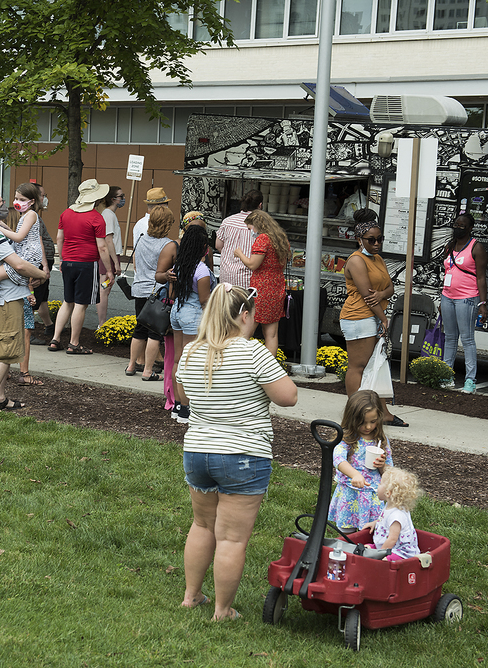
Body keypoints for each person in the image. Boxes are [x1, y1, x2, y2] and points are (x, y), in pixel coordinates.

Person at [176, 283, 298, 621]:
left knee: (201, 525)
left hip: (197, 450)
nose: (255, 322)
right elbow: (289, 396)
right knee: (231, 539)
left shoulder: (192, 351)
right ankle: (222, 610)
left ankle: (191, 597)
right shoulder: (253, 352)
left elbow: (184, 397)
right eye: (254, 316)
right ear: (243, 315)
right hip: (243, 454)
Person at [0, 188, 47, 412]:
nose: (4, 205)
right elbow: (19, 265)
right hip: (6, 300)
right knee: (5, 352)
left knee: (9, 349)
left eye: (4, 200)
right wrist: (42, 274)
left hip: (10, 297)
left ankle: (1, 397)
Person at [340, 209, 407, 427]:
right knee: (358, 367)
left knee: (376, 365)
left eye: (380, 239)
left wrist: (381, 295)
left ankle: (383, 413)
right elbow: (367, 296)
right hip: (359, 317)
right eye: (371, 240)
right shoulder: (356, 261)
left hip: (372, 316)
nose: (377, 243)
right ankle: (355, 412)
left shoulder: (377, 258)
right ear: (360, 240)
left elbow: (389, 287)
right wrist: (384, 318)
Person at [48, 179, 116, 354]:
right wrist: (109, 270)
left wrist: (62, 259)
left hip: (68, 262)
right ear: (97, 198)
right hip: (86, 264)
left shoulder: (66, 213)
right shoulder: (96, 217)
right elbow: (102, 247)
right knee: (81, 304)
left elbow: (59, 238)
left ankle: (55, 339)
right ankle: (74, 343)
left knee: (67, 301)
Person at [167, 225, 215, 423]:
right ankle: (187, 409)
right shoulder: (202, 270)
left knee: (178, 359)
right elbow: (205, 300)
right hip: (193, 315)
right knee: (190, 362)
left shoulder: (179, 265)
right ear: (202, 247)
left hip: (177, 311)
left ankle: (177, 404)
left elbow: (171, 295)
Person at [328, 389, 392, 532]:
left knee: (373, 533)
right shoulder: (346, 438)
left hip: (373, 495)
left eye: (373, 421)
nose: (368, 427)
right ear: (352, 419)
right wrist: (355, 475)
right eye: (363, 422)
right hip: (350, 493)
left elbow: (390, 471)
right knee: (347, 534)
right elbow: (338, 459)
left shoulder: (381, 440)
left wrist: (382, 466)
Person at [440, 213, 488, 394]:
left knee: (467, 339)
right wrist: (442, 297)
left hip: (467, 298)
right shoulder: (450, 246)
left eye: (462, 225)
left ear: (469, 228)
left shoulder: (476, 247)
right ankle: (446, 376)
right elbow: (446, 272)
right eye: (455, 224)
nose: (457, 227)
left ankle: (470, 380)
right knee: (450, 338)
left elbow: (481, 277)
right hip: (448, 296)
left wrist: (483, 303)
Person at [126, 207, 175, 380]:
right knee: (155, 333)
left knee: (139, 329)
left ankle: (131, 365)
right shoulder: (168, 244)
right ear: (167, 224)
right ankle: (148, 370)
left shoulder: (140, 239)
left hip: (139, 288)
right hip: (156, 291)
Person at [234, 210, 291, 357]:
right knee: (271, 334)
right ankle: (269, 369)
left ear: (256, 225)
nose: (250, 232)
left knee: (245, 330)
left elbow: (253, 264)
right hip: (277, 287)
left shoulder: (263, 239)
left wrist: (240, 254)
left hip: (261, 288)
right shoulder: (281, 238)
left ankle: (239, 364)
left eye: (250, 228)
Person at [362, 467, 421, 562]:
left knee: (385, 561)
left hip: (401, 552)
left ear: (388, 493)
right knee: (365, 548)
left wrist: (379, 554)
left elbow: (392, 539)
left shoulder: (397, 516)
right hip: (387, 546)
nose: (378, 485)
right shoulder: (389, 506)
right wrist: (375, 523)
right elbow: (385, 522)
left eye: (380, 483)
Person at [216, 190, 262, 288]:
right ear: (260, 206)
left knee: (227, 303)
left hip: (226, 276)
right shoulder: (259, 226)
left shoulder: (227, 221)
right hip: (247, 279)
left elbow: (218, 246)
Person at [30, 183, 57, 345]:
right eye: (42, 195)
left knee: (42, 297)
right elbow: (37, 242)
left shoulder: (35, 216)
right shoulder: (32, 217)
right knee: (34, 298)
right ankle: (28, 331)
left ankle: (49, 326)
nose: (44, 198)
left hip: (43, 262)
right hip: (39, 263)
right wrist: (45, 266)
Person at [96, 186, 124, 327]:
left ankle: (102, 322)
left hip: (110, 257)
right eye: (121, 196)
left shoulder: (109, 214)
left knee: (105, 289)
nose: (123, 199)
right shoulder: (108, 214)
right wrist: (116, 263)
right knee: (104, 290)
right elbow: (108, 240)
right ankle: (102, 323)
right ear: (113, 199)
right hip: (109, 257)